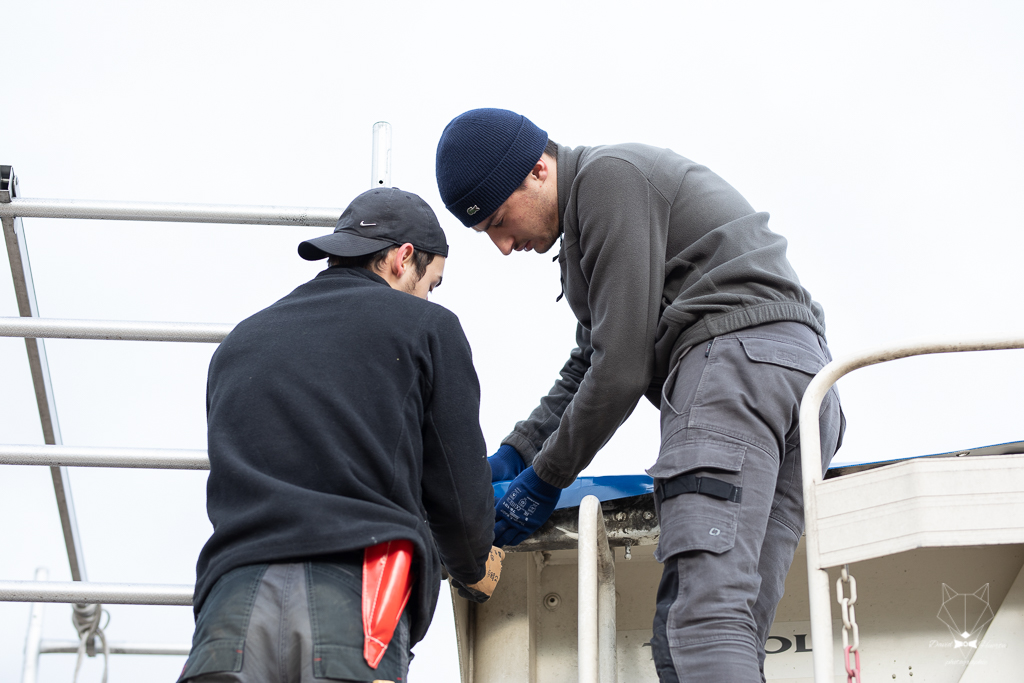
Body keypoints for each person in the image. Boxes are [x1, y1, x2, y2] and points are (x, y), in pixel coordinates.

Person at [435, 109, 845, 682]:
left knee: (702, 624)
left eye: (500, 221)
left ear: (537, 169)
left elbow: (621, 370)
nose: (503, 246)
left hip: (735, 374)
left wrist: (541, 483)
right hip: (800, 393)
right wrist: (514, 455)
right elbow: (591, 362)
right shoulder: (597, 218)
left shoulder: (608, 180)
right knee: (707, 631)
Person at [178, 187, 501, 683]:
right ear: (403, 258)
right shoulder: (427, 328)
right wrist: (474, 563)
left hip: (232, 603)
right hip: (356, 596)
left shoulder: (238, 344)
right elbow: (457, 494)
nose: (429, 296)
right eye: (432, 283)